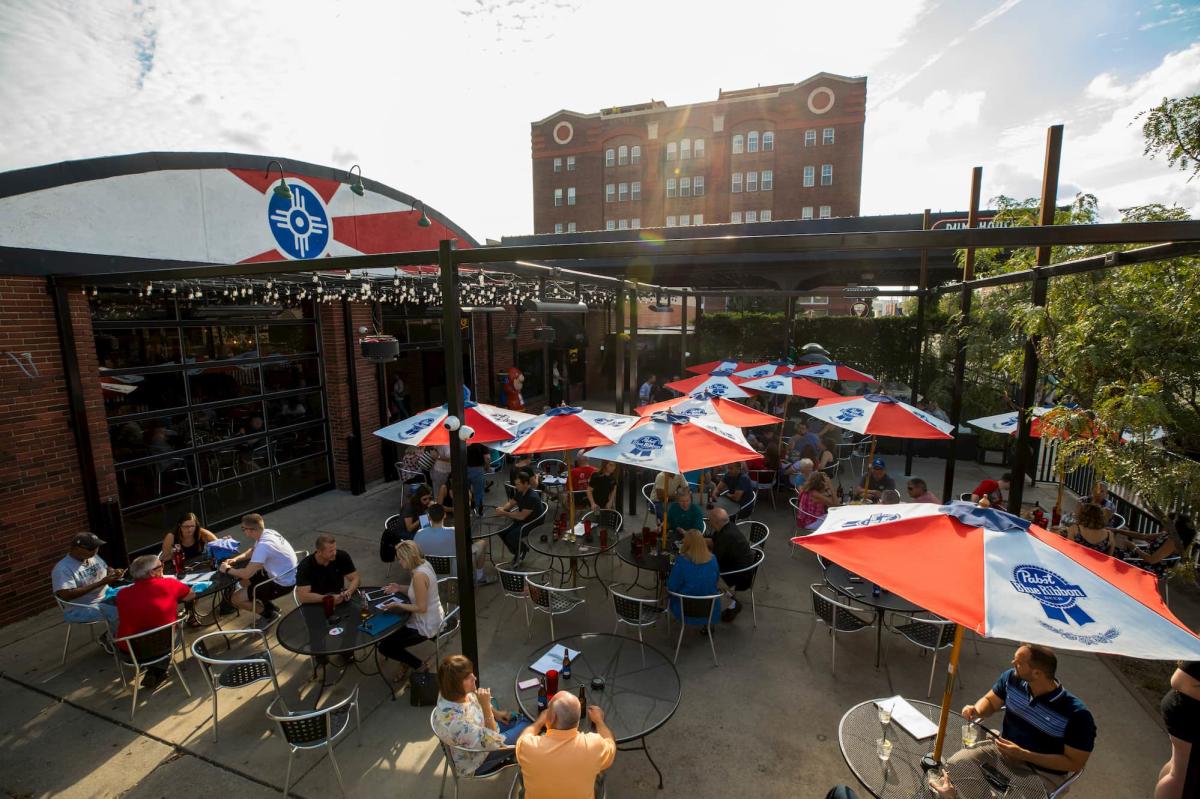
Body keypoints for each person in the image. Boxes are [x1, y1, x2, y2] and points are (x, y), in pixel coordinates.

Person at [954, 643, 1094, 794]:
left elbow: (1074, 763)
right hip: (1002, 753)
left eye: (1019, 663)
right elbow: (990, 701)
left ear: (1037, 673)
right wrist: (976, 709)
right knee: (955, 766)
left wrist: (1024, 754)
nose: (1013, 663)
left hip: (1042, 774)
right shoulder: (1011, 679)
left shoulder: (1077, 715)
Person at [432, 654, 531, 777]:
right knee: (530, 724)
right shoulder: (460, 725)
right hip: (478, 759)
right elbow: (493, 742)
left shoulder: (447, 692)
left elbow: (474, 700)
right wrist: (486, 707)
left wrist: (496, 713)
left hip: (478, 734)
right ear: (456, 686)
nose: (475, 677)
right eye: (468, 677)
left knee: (516, 716)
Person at [518, 689, 616, 799]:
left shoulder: (528, 747)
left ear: (553, 717)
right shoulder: (594, 746)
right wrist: (599, 721)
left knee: (523, 766)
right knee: (599, 772)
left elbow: (523, 737)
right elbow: (610, 742)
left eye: (548, 709)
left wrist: (539, 722)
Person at [115, 554, 194, 689]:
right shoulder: (169, 583)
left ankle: (155, 671)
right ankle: (158, 670)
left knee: (146, 628)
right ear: (152, 572)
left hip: (130, 653)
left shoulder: (121, 594)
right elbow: (191, 595)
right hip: (160, 647)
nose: (163, 567)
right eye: (161, 566)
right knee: (174, 627)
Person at [377, 540, 445, 680]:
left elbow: (421, 607)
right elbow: (418, 592)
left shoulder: (419, 576)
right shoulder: (424, 564)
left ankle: (418, 664)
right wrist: (399, 588)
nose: (399, 562)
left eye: (401, 559)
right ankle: (405, 660)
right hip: (431, 616)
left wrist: (398, 605)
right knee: (389, 635)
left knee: (385, 646)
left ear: (408, 557)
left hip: (426, 624)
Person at [220, 514, 298, 627]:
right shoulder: (268, 533)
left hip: (282, 584)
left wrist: (227, 570)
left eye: (243, 529)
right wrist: (236, 559)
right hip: (285, 574)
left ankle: (269, 615)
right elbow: (252, 551)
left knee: (235, 599)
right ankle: (269, 607)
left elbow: (247, 573)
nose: (243, 531)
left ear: (250, 530)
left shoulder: (264, 546)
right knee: (243, 581)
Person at [52, 532, 123, 649]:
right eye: (91, 548)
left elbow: (106, 568)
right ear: (75, 548)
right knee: (118, 610)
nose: (95, 551)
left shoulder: (92, 556)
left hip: (106, 594)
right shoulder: (62, 569)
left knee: (135, 595)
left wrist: (113, 572)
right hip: (83, 607)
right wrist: (100, 583)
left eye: (97, 547)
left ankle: (129, 635)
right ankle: (111, 640)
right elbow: (66, 595)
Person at [415, 505, 494, 586]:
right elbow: (465, 547)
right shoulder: (454, 532)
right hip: (455, 573)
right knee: (482, 543)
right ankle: (480, 576)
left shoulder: (419, 534)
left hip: (429, 572)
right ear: (444, 515)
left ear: (429, 517)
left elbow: (416, 555)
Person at [1157, 661, 1200, 798]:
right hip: (1188, 714)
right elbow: (1180, 681)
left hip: (1186, 710)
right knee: (1183, 777)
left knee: (1178, 768)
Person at [707, 507, 756, 622]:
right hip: (744, 567)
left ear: (716, 522)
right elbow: (713, 541)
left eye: (710, 521)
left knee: (707, 574)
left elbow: (714, 560)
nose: (709, 523)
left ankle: (731, 604)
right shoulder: (728, 527)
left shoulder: (726, 536)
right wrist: (697, 540)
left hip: (739, 575)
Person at [667, 530, 721, 626]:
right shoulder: (713, 559)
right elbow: (716, 580)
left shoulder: (682, 562)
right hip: (710, 609)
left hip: (685, 611)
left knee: (670, 592)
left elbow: (672, 586)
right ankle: (707, 626)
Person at [294, 534, 360, 605]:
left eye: (335, 549)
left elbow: (355, 578)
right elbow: (303, 597)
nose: (334, 553)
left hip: (339, 599)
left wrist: (349, 592)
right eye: (331, 551)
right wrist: (328, 598)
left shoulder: (342, 556)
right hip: (316, 603)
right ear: (319, 552)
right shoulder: (305, 566)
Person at [496, 470, 544, 564]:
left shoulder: (531, 497)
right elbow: (511, 503)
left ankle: (520, 551)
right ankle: (519, 550)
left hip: (533, 522)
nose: (516, 486)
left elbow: (521, 516)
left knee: (511, 536)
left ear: (526, 483)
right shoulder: (520, 492)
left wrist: (504, 513)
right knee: (501, 531)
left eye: (518, 484)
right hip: (523, 519)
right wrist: (503, 509)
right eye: (516, 484)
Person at [466, 442, 490, 516]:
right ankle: (479, 512)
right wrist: (487, 467)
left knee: (465, 492)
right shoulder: (481, 440)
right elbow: (487, 457)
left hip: (464, 468)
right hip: (478, 469)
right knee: (479, 493)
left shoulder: (462, 438)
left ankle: (467, 511)